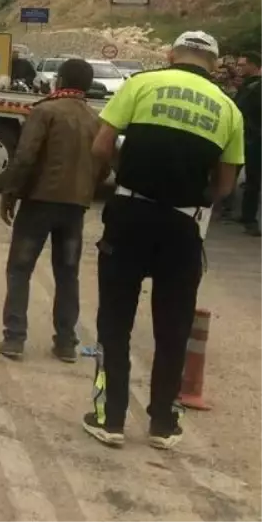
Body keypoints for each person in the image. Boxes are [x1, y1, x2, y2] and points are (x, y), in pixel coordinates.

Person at [85, 31, 244, 451]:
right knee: (173, 328)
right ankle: (161, 424)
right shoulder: (229, 109)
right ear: (214, 63)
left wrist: (128, 168)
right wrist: (195, 196)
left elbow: (101, 146)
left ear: (170, 55)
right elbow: (226, 184)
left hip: (130, 215)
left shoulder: (140, 85)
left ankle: (109, 418)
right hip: (182, 227)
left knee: (114, 321)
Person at [0, 58, 102, 362]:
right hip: (75, 209)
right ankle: (66, 343)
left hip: (39, 204)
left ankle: (14, 338)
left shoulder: (45, 111)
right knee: (68, 274)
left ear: (60, 80)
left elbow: (26, 156)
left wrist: (10, 193)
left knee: (20, 269)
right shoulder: (95, 119)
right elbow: (105, 163)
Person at [234, 51, 262, 236]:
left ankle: (250, 219)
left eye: (243, 65)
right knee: (250, 178)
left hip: (256, 138)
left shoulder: (257, 87)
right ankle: (246, 215)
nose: (239, 68)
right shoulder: (249, 85)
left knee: (254, 179)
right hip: (248, 136)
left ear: (254, 65)